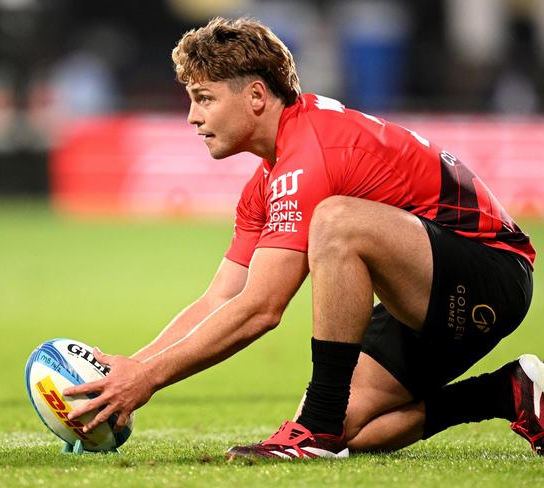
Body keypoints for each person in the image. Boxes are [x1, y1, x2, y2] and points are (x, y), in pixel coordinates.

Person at [64, 17, 543, 459]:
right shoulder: (270, 179)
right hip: (424, 290)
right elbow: (221, 299)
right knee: (357, 432)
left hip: (490, 273)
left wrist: (147, 380)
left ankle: (317, 430)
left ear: (255, 96)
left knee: (336, 221)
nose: (192, 116)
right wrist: (122, 377)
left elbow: (261, 308)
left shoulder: (310, 152)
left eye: (204, 98)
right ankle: (506, 392)